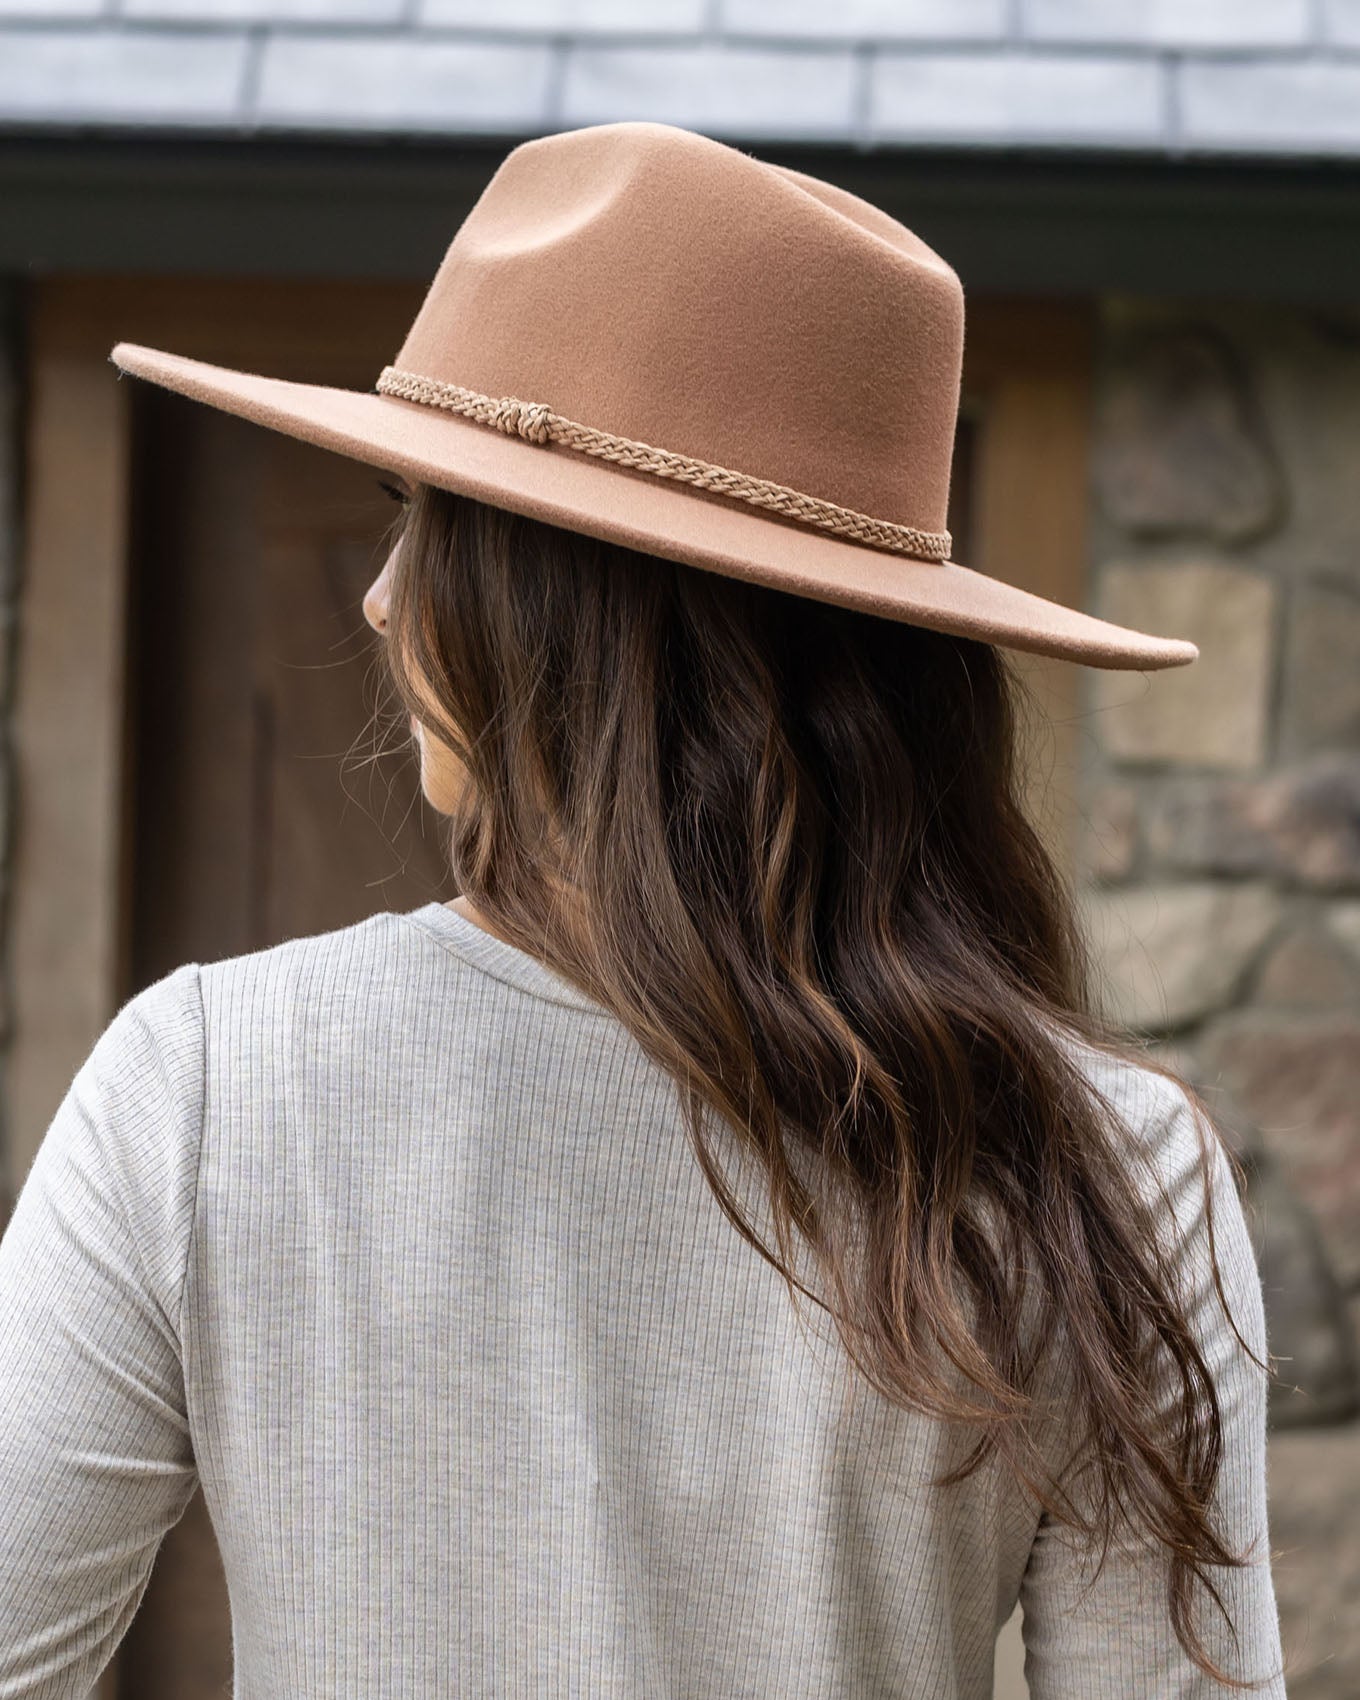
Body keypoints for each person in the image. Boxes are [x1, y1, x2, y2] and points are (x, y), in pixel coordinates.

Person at [0, 122, 1285, 1697]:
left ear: (570, 612)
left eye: (431, 520)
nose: (383, 595)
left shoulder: (205, 1083)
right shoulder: (1105, 1162)